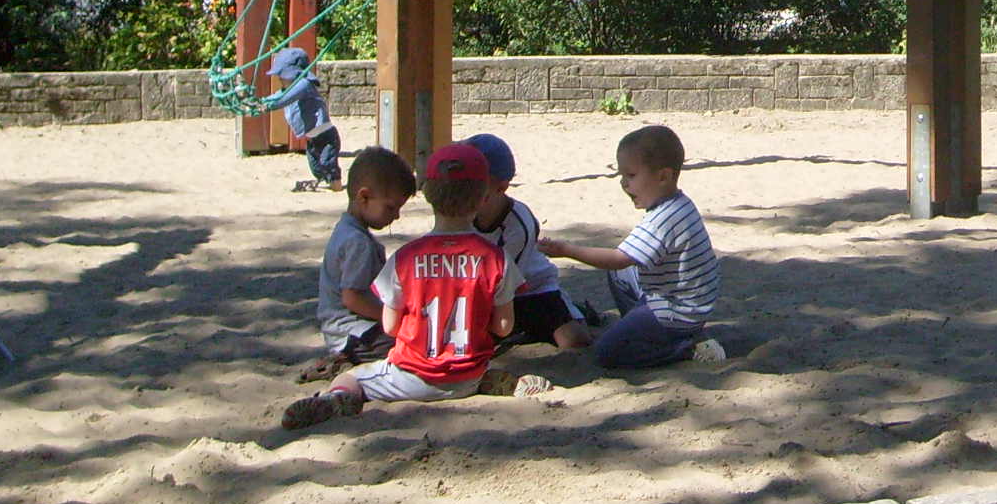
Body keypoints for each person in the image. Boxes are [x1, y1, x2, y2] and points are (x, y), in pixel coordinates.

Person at [282, 143, 551, 429]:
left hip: (412, 377)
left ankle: (336, 399)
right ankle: (501, 382)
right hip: (467, 376)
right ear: (482, 198)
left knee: (351, 379)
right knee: (479, 365)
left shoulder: (405, 258)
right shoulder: (498, 259)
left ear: (429, 196)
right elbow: (504, 327)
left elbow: (390, 326)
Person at [542, 124, 724, 370]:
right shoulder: (676, 203)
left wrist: (566, 249)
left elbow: (619, 258)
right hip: (679, 299)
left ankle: (684, 348)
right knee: (620, 276)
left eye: (631, 175)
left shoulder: (664, 218)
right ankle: (643, 330)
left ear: (663, 176)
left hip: (679, 311)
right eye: (622, 176)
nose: (624, 184)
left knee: (606, 353)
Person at [461, 132, 594, 350]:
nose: (464, 192)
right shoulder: (459, 213)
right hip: (478, 290)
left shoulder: (518, 224)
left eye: (474, 185)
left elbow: (504, 282)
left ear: (500, 187)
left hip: (530, 289)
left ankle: (576, 313)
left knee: (574, 341)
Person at [300, 145, 416, 382]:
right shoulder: (358, 243)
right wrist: (395, 319)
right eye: (391, 207)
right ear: (363, 197)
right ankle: (344, 363)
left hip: (348, 331)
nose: (396, 216)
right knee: (410, 345)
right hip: (352, 333)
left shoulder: (347, 228)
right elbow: (353, 298)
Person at [272, 46, 342, 193]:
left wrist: (266, 106)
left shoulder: (304, 85)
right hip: (312, 139)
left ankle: (336, 184)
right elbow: (277, 97)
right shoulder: (288, 89)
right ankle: (327, 182)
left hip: (326, 136)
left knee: (327, 162)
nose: (279, 78)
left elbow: (282, 100)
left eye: (282, 74)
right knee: (316, 168)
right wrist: (259, 103)